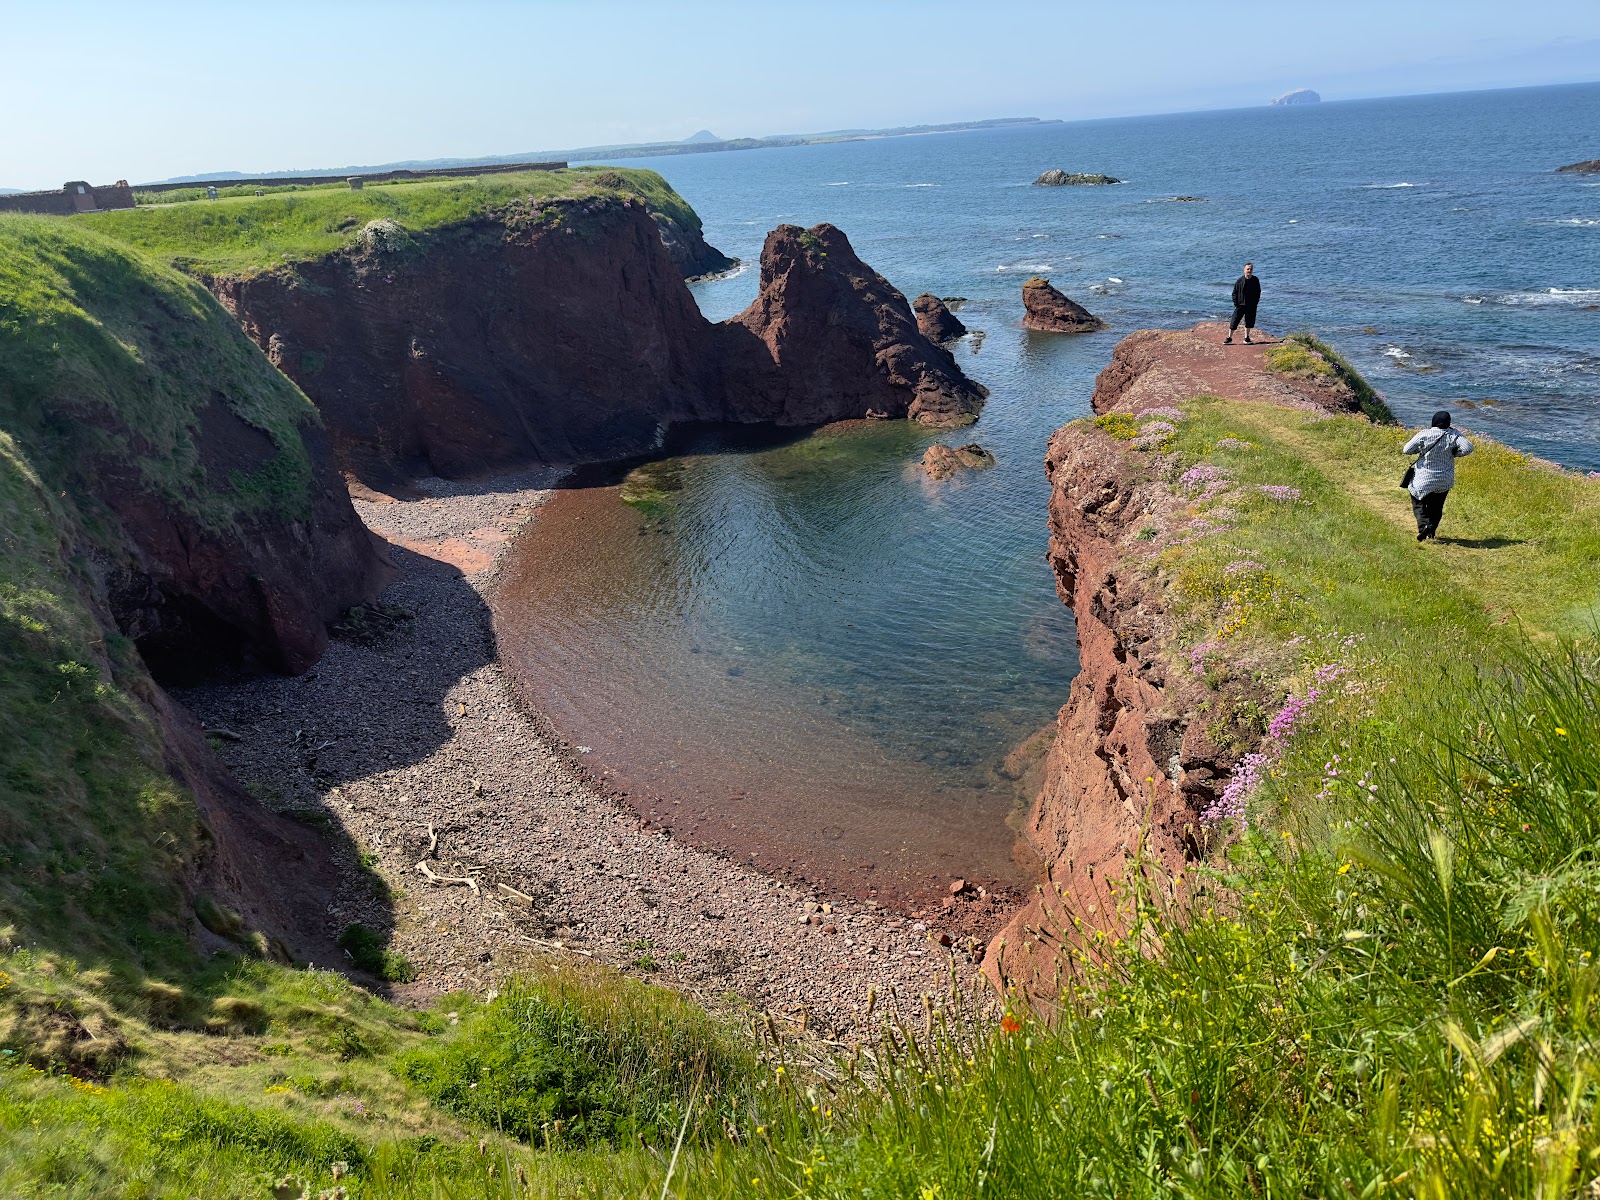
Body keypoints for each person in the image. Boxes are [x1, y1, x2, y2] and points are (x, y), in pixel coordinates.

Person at [1403, 410, 1473, 541]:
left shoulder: (1425, 433)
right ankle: (1431, 530)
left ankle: (1424, 526)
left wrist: (1420, 450)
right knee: (1437, 506)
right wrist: (1455, 454)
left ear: (1434, 421)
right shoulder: (1454, 435)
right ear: (1448, 422)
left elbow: (1406, 450)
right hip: (1444, 479)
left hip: (1424, 478)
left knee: (1418, 501)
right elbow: (1468, 448)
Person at [1224, 263, 1261, 345]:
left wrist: (1255, 302)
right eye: (1248, 269)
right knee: (1234, 320)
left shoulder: (1255, 280)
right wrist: (1236, 303)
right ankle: (1229, 338)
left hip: (1251, 305)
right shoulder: (1239, 281)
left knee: (1249, 321)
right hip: (1240, 305)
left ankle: (1247, 338)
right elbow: (1234, 293)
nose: (1249, 271)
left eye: (1251, 269)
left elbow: (1258, 292)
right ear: (1244, 270)